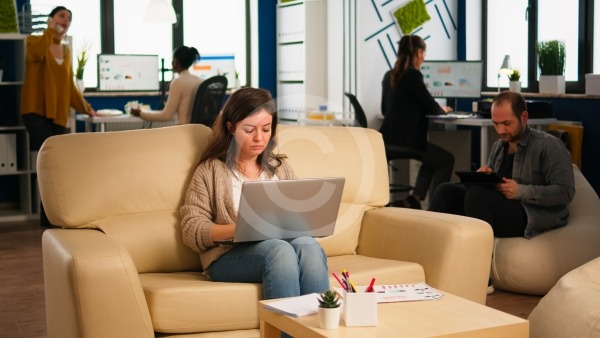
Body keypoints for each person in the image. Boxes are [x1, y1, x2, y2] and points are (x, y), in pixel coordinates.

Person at [180, 87, 330, 304]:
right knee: (280, 251)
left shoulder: (280, 168)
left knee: (308, 245)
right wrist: (242, 229)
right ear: (231, 128)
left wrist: (306, 221)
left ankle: (320, 331)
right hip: (227, 256)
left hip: (281, 245)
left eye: (266, 129)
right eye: (249, 130)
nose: (259, 138)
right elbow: (191, 229)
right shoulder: (210, 170)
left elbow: (299, 213)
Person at [429, 91, 575, 239]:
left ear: (523, 117)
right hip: (499, 206)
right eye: (495, 124)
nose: (500, 131)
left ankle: (479, 257)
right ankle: (427, 248)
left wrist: (520, 191)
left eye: (506, 123)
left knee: (476, 196)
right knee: (445, 190)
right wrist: (483, 177)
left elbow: (565, 192)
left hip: (529, 213)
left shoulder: (549, 145)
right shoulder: (499, 146)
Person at [20, 6, 96, 227]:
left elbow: (69, 88)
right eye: (62, 16)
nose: (66, 20)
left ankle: (50, 217)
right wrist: (49, 31)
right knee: (47, 162)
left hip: (57, 114)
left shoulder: (67, 51)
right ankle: (49, 219)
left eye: (69, 18)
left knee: (55, 164)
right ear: (51, 19)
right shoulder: (35, 41)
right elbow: (34, 56)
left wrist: (87, 108)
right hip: (35, 111)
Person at [379, 34, 455, 209]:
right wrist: (441, 110)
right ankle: (438, 209)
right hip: (407, 142)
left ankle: (414, 200)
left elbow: (384, 110)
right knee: (446, 160)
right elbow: (432, 107)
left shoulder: (388, 75)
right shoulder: (413, 75)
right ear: (419, 52)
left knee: (432, 158)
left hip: (385, 141)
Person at [130, 46, 203, 124]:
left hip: (183, 130)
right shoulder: (200, 81)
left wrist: (141, 113)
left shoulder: (178, 82)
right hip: (197, 129)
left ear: (176, 62)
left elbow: (166, 116)